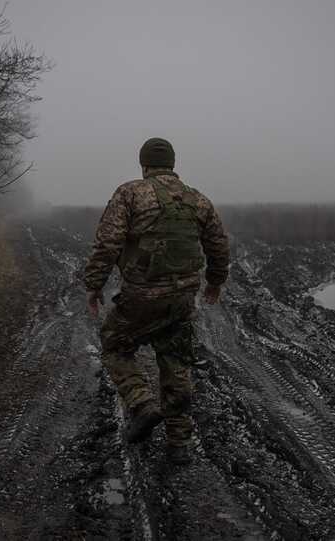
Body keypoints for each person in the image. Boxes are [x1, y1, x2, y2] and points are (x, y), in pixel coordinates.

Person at [84, 137, 230, 464]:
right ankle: (179, 443)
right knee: (176, 361)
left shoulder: (130, 193)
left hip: (140, 298)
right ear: (173, 164)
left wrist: (94, 285)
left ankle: (141, 403)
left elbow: (108, 243)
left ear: (144, 164)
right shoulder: (198, 200)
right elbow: (219, 245)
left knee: (114, 345)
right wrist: (215, 283)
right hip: (181, 299)